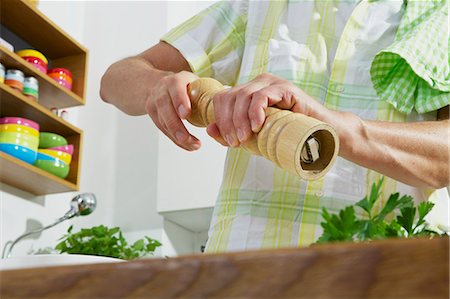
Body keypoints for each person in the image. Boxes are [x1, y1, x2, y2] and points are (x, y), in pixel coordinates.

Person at [100, 0, 449, 253]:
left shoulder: (438, 20)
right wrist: (159, 84)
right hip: (245, 274)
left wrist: (338, 129)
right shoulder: (260, 7)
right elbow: (115, 80)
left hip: (386, 273)